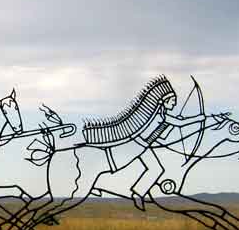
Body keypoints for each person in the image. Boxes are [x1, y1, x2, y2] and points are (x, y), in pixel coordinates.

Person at [82, 76, 206, 211]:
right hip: (137, 146)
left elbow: (162, 138)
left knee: (156, 169)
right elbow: (181, 123)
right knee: (115, 167)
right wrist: (199, 118)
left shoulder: (162, 117)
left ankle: (138, 193)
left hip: (143, 146)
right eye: (172, 101)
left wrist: (171, 126)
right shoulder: (161, 116)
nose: (174, 104)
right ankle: (103, 186)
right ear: (164, 102)